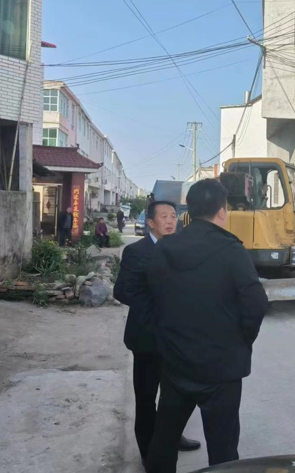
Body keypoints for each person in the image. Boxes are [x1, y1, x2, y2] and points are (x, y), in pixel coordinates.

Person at [144, 179, 269, 473]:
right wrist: (240, 341)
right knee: (223, 450)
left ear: (189, 211)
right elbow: (255, 304)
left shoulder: (165, 247)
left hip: (176, 363)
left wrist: (168, 336)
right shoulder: (231, 249)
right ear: (222, 211)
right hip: (221, 367)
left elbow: (153, 297)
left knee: (164, 439)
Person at [113, 201, 200, 468]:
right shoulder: (136, 251)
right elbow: (123, 290)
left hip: (177, 340)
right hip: (147, 339)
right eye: (163, 216)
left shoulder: (182, 249)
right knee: (147, 398)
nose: (170, 220)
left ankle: (171, 437)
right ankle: (148, 451)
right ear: (150, 222)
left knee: (175, 396)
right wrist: (161, 311)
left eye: (173, 216)